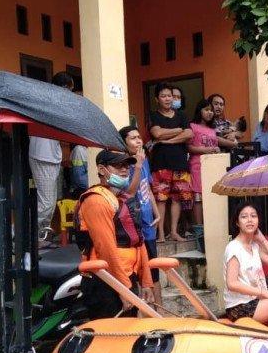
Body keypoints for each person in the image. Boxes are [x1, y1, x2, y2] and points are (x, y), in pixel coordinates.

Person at [74, 150, 154, 318]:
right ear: (102, 170)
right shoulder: (96, 200)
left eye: (126, 165)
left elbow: (137, 241)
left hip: (126, 277)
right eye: (118, 166)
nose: (124, 170)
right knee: (113, 339)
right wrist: (123, 289)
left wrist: (146, 280)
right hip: (106, 281)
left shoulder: (122, 198)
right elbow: (106, 249)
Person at [120, 126, 162, 307]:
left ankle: (161, 315)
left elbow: (148, 189)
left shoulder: (143, 160)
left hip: (148, 222)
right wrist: (136, 164)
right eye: (133, 138)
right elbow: (129, 192)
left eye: (139, 137)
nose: (138, 141)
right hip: (133, 224)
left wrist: (157, 212)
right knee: (140, 273)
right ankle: (145, 315)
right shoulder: (124, 164)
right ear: (124, 142)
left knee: (154, 271)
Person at [30, 71, 73, 242]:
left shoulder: (54, 102)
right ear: (63, 88)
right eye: (70, 89)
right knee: (47, 202)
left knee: (51, 200)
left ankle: (40, 236)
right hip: (43, 155)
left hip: (50, 156)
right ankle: (27, 233)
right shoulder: (49, 102)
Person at [149, 83, 193, 242]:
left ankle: (174, 231)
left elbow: (189, 133)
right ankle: (160, 233)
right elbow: (157, 133)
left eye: (170, 96)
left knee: (177, 198)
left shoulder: (182, 115)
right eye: (164, 96)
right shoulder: (153, 115)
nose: (168, 99)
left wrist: (170, 141)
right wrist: (178, 130)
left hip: (180, 163)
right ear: (157, 99)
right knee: (161, 198)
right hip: (161, 163)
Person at [187, 99, 220, 226]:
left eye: (211, 110)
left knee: (211, 196)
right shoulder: (192, 126)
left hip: (212, 167)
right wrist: (207, 150)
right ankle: (199, 229)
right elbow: (188, 147)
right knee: (198, 198)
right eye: (206, 110)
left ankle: (211, 227)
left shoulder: (212, 129)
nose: (209, 113)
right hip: (197, 166)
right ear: (199, 111)